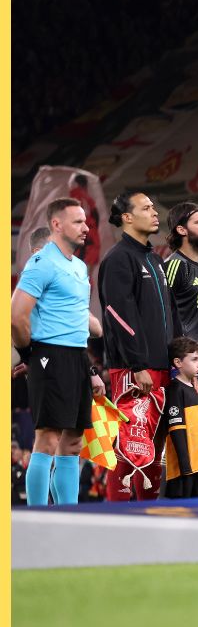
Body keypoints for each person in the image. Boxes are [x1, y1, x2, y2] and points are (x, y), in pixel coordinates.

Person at [11, 198, 106, 506]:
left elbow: (76, 320)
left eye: (85, 221)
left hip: (77, 356)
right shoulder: (41, 263)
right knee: (48, 438)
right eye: (78, 221)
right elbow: (16, 316)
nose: (85, 227)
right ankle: (36, 516)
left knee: (74, 441)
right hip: (49, 355)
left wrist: (89, 369)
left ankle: (69, 514)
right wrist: (31, 356)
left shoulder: (79, 267)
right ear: (57, 224)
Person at [98, 191, 180, 501]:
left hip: (161, 368)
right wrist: (138, 365)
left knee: (155, 447)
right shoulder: (119, 259)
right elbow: (119, 316)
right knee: (130, 445)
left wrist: (180, 355)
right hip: (135, 370)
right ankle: (120, 518)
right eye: (146, 208)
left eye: (154, 207)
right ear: (127, 217)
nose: (155, 213)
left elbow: (171, 313)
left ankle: (147, 515)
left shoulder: (154, 259)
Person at [163, 201, 198, 495]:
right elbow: (164, 313)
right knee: (185, 451)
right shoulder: (174, 265)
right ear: (181, 229)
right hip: (188, 377)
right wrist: (184, 371)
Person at [162, 337, 198, 498]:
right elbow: (176, 429)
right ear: (178, 362)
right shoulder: (175, 390)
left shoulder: (194, 390)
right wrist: (185, 465)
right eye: (194, 359)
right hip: (184, 469)